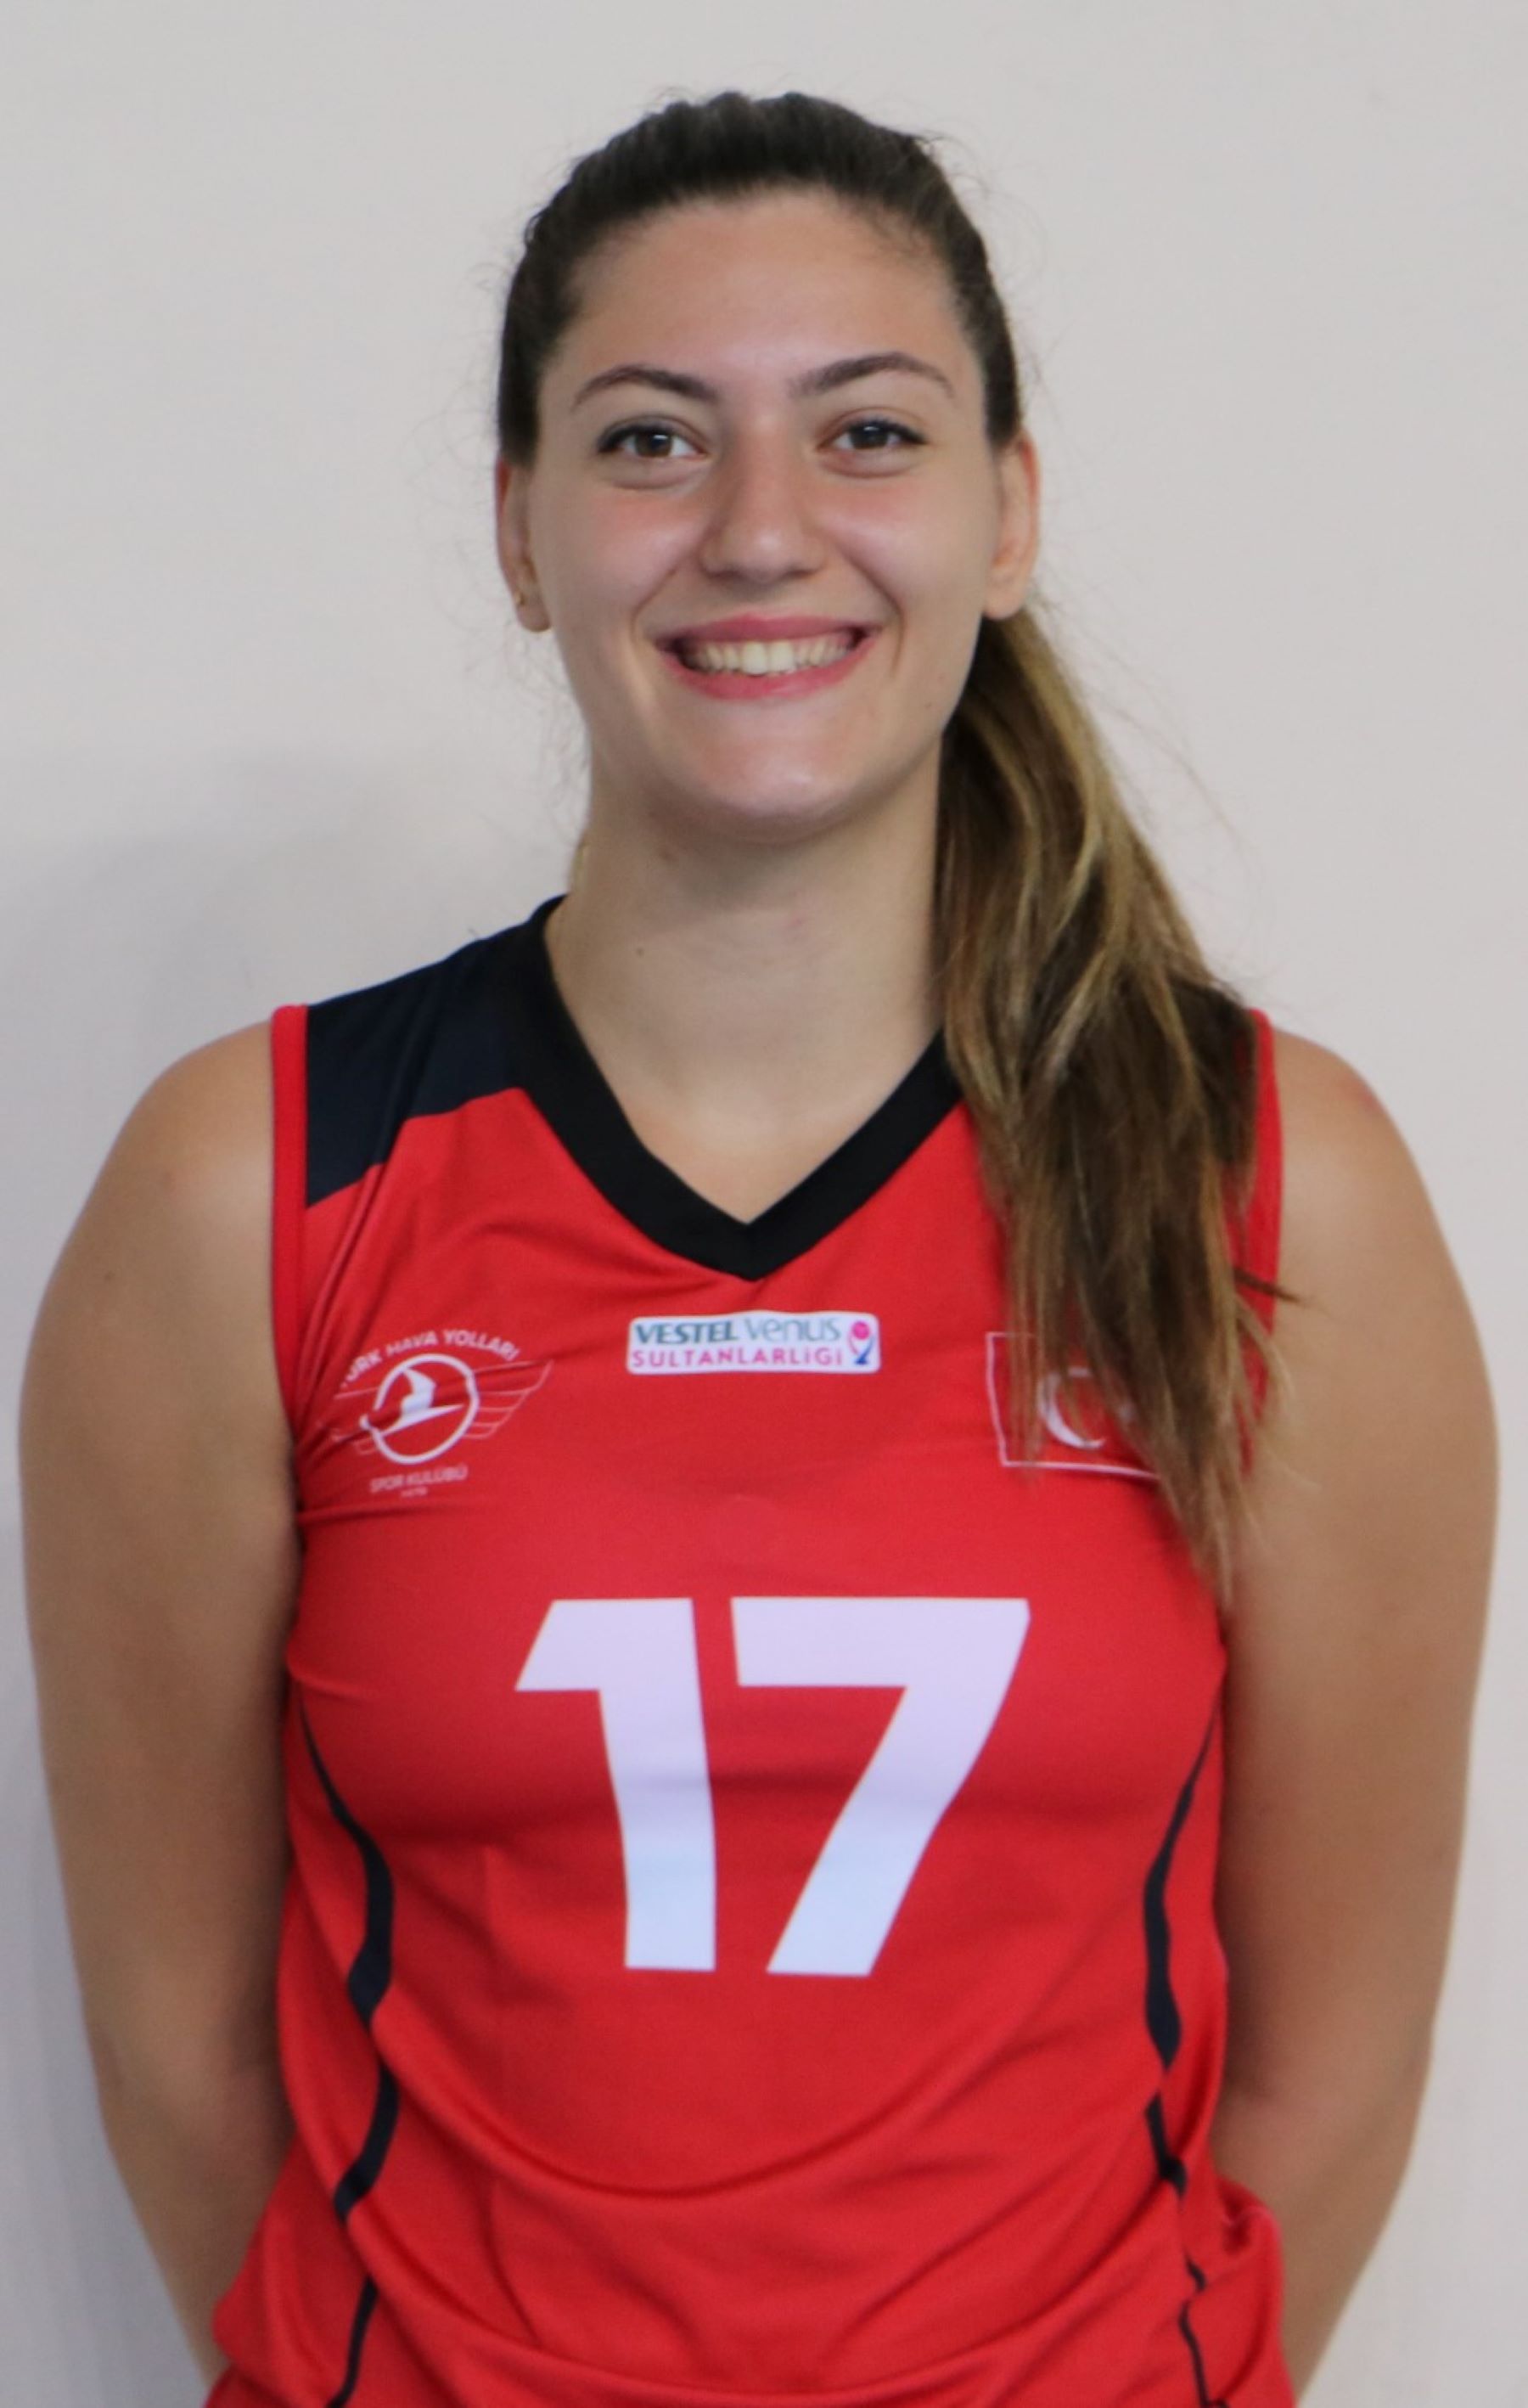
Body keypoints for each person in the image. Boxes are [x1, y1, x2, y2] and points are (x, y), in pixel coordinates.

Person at [18, 87, 1497, 2408]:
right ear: (520, 531)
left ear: (1009, 514)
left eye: (867, 431)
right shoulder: (254, 1188)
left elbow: (1338, 2065)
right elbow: (183, 2049)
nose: (763, 529)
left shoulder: (1273, 1188)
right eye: (651, 441)